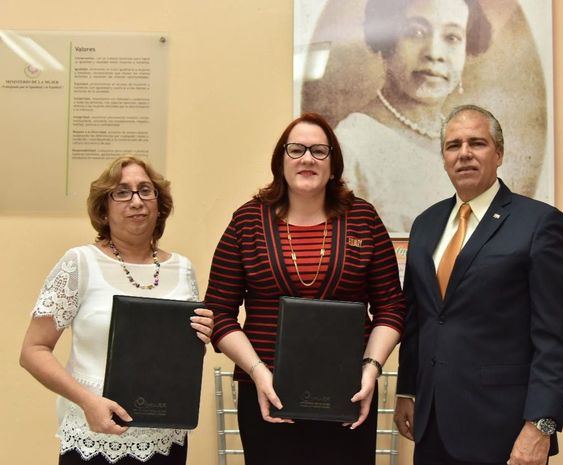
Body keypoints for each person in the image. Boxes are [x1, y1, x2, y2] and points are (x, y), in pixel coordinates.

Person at [205, 112, 406, 465]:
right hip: (267, 395)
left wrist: (371, 368)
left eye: (319, 151)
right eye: (296, 150)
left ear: (334, 165)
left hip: (348, 397)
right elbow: (218, 314)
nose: (308, 158)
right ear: (280, 161)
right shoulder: (248, 221)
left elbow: (391, 307)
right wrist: (257, 371)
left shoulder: (363, 218)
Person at [393, 105, 563, 465]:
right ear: (444, 158)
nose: (464, 153)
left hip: (503, 430)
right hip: (431, 426)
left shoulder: (540, 224)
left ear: (499, 153)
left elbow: (556, 340)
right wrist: (407, 391)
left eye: (476, 143)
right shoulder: (426, 224)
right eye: (453, 145)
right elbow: (417, 320)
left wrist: (541, 426)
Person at [19, 156, 214, 464]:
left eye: (145, 191)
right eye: (122, 192)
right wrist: (87, 402)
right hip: (94, 438)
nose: (136, 201)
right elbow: (33, 350)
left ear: (159, 205)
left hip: (165, 438)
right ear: (103, 209)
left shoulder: (183, 268)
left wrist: (200, 338)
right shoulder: (79, 263)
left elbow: (178, 357)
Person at [334, 0, 494, 234]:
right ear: (387, 44)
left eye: (452, 38)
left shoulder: (465, 141)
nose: (434, 53)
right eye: (416, 32)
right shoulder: (351, 146)